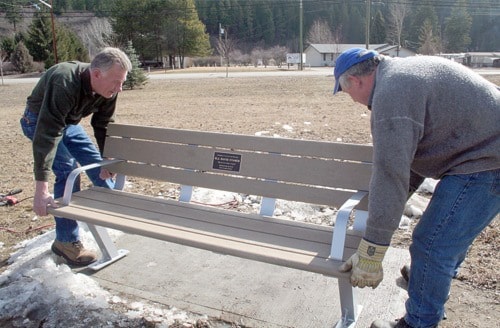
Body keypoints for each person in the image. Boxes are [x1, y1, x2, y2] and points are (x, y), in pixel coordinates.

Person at [333, 48, 499, 328]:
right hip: (483, 148)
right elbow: (408, 166)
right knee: (443, 239)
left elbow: (391, 173)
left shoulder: (391, 95)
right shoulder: (400, 76)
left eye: (346, 92)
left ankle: (420, 321)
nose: (352, 100)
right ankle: (431, 281)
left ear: (355, 81)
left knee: (432, 244)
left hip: (488, 159)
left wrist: (373, 248)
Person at [20, 47, 132, 266]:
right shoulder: (64, 81)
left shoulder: (109, 89)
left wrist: (106, 158)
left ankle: (117, 215)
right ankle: (66, 243)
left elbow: (103, 124)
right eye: (116, 82)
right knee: (67, 170)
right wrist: (40, 191)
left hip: (68, 123)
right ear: (97, 74)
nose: (120, 88)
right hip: (38, 121)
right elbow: (48, 132)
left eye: (122, 82)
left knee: (97, 165)